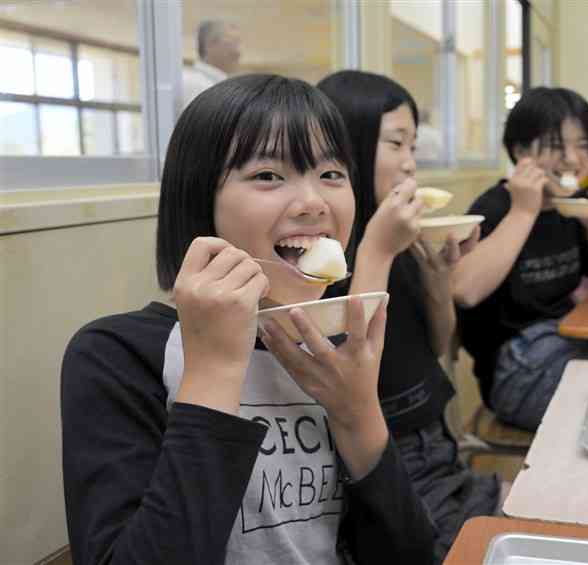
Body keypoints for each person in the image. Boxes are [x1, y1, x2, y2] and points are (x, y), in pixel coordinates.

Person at [61, 74, 435, 565]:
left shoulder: (327, 347)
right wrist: (214, 370)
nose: (314, 202)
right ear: (200, 200)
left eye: (331, 174)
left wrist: (358, 412)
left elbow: (408, 557)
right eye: (268, 176)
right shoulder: (115, 354)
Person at [318, 70, 501, 565]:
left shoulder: (395, 235)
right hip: (382, 459)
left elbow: (437, 346)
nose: (410, 164)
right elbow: (348, 373)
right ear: (348, 144)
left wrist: (439, 273)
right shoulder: (320, 251)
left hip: (435, 439)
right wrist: (376, 249)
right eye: (396, 143)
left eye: (414, 146)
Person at [453, 87, 588, 433]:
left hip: (568, 342)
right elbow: (463, 290)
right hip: (514, 370)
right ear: (520, 151)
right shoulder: (497, 207)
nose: (574, 160)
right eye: (558, 146)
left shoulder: (573, 205)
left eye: (583, 146)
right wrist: (524, 210)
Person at [181, 20, 241, 109]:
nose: (238, 52)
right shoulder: (196, 85)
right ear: (210, 44)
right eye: (233, 43)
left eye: (238, 44)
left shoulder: (216, 84)